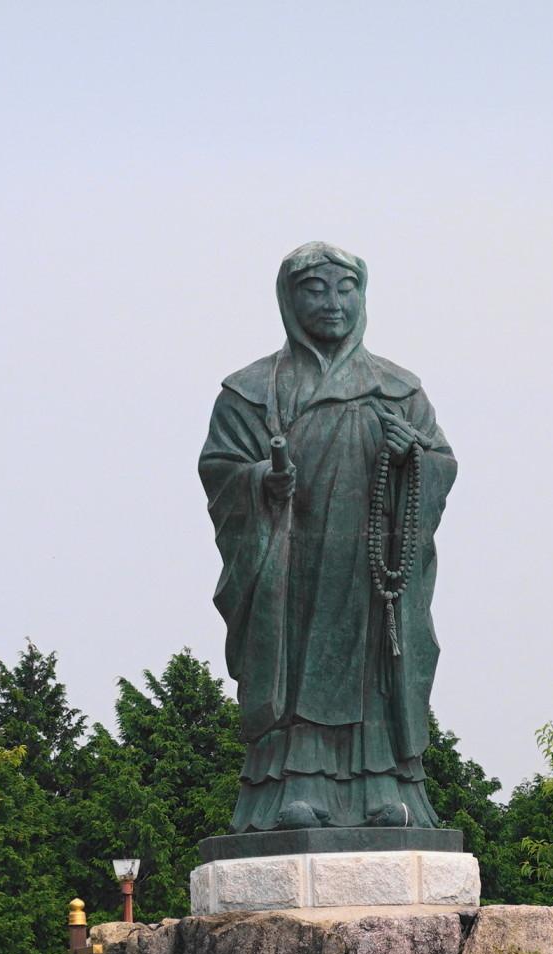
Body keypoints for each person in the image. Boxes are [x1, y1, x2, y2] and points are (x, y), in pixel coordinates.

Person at [199, 242, 456, 833]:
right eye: (315, 290)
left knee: (375, 670)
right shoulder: (252, 389)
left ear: (363, 297)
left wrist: (411, 459)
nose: (333, 303)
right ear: (288, 300)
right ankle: (296, 787)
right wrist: (262, 480)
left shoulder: (397, 388)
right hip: (292, 563)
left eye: (345, 289)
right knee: (299, 670)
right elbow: (220, 469)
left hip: (372, 567)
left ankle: (385, 789)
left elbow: (440, 463)